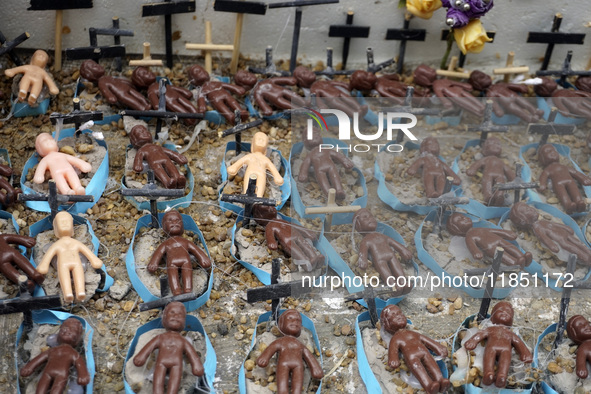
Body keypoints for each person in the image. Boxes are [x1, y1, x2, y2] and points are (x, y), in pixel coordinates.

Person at [133, 302, 204, 394]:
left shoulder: (183, 341)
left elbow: (192, 354)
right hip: (161, 363)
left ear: (184, 321)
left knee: (174, 385)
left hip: (176, 365)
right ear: (164, 318)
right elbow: (149, 347)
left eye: (180, 314)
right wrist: (141, 357)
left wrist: (196, 365)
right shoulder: (161, 337)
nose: (176, 316)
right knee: (158, 383)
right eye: (172, 312)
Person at [36, 211, 104, 303]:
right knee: (64, 277)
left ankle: (80, 292)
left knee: (79, 275)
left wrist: (94, 259)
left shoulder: (75, 242)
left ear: (72, 227)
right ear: (56, 228)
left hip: (77, 263)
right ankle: (67, 294)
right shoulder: (57, 245)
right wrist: (43, 265)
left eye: (67, 221)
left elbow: (86, 251)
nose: (65, 224)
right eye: (61, 222)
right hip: (63, 264)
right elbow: (49, 254)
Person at [381, 305, 449, 394]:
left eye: (400, 313)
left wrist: (438, 348)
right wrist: (393, 359)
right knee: (419, 371)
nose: (399, 316)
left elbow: (426, 340)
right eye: (394, 315)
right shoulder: (396, 338)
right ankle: (429, 386)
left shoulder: (412, 333)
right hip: (412, 357)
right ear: (387, 323)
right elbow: (393, 349)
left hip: (424, 352)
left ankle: (441, 381)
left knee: (433, 365)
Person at [463, 302, 533, 388]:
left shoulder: (510, 334)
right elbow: (481, 334)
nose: (504, 312)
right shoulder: (490, 329)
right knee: (488, 359)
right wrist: (473, 341)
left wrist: (525, 353)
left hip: (506, 350)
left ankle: (502, 376)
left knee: (505, 363)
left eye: (508, 312)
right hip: (491, 348)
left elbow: (518, 342)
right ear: (492, 316)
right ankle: (488, 374)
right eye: (500, 310)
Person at [256, 309, 323, 394]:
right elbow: (271, 348)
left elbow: (308, 355)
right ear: (281, 324)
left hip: (298, 366)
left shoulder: (299, 344)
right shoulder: (280, 342)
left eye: (298, 321)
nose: (295, 322)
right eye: (290, 318)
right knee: (282, 386)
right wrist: (264, 357)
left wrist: (316, 368)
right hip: (284, 364)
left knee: (297, 388)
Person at [148, 210, 211, 296]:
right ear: (164, 226)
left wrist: (203, 258)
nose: (174, 222)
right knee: (172, 274)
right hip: (172, 263)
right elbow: (159, 253)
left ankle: (188, 289)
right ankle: (176, 291)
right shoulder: (166, 244)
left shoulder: (185, 241)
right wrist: (154, 262)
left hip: (185, 261)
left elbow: (195, 250)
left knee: (188, 273)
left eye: (177, 220)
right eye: (170, 220)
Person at [20, 317, 90, 394]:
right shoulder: (52, 350)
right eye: (64, 327)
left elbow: (80, 364)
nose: (66, 330)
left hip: (61, 375)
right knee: (40, 388)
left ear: (77, 340)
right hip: (47, 373)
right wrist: (29, 367)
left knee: (57, 390)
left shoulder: (73, 353)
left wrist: (83, 375)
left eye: (72, 329)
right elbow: (39, 359)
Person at [509, 202, 591, 265]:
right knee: (573, 248)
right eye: (527, 210)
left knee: (580, 245)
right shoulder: (537, 228)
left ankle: (588, 254)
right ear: (523, 220)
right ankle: (587, 259)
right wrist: (552, 246)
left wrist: (566, 228)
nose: (531, 209)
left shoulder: (541, 221)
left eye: (528, 207)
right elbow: (544, 238)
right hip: (561, 241)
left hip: (565, 234)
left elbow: (553, 224)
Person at [353, 208, 413, 292]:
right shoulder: (366, 240)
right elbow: (363, 252)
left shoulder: (382, 235)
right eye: (365, 217)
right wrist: (362, 260)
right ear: (358, 225)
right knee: (386, 273)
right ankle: (393, 286)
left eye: (371, 216)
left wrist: (403, 250)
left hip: (391, 255)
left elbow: (393, 242)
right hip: (379, 259)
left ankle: (403, 282)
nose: (370, 218)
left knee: (397, 268)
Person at [252, 205, 324, 271]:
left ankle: (315, 258)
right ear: (261, 216)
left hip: (297, 235)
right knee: (297, 252)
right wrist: (272, 242)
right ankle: (306, 265)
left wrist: (307, 232)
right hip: (287, 241)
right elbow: (270, 236)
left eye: (272, 207)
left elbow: (295, 226)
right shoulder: (270, 226)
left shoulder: (282, 220)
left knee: (307, 246)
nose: (273, 208)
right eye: (269, 209)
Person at [446, 212, 532, 267]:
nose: (465, 218)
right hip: (491, 248)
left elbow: (493, 231)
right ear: (456, 229)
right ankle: (515, 263)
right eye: (460, 220)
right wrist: (476, 252)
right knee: (504, 255)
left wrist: (506, 233)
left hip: (499, 240)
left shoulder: (479, 228)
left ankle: (523, 257)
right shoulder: (469, 237)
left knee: (512, 247)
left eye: (463, 216)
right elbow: (472, 246)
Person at [298, 128, 354, 201]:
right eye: (311, 136)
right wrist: (303, 173)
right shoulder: (310, 155)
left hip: (330, 166)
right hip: (320, 170)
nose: (315, 136)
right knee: (322, 181)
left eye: (316, 134)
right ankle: (328, 193)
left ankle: (339, 190)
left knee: (335, 177)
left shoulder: (326, 150)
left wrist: (345, 161)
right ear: (305, 141)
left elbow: (336, 155)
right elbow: (305, 164)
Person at [131, 66, 200, 126]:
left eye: (148, 71)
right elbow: (156, 105)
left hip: (177, 95)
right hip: (170, 102)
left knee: (190, 106)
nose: (149, 73)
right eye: (145, 74)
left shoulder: (160, 83)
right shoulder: (151, 91)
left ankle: (197, 116)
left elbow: (171, 87)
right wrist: (153, 106)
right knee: (183, 112)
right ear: (141, 81)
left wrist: (185, 92)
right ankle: (191, 122)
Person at [468, 70, 543, 123]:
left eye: (485, 75)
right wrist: (498, 110)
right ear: (477, 85)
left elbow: (510, 85)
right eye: (482, 78)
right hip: (508, 104)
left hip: (515, 95)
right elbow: (493, 102)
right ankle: (529, 118)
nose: (486, 77)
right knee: (518, 111)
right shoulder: (489, 93)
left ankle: (535, 111)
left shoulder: (499, 84)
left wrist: (520, 87)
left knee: (526, 103)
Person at [130, 125, 188, 189]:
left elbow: (169, 152)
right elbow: (138, 158)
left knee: (171, 167)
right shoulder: (142, 150)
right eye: (140, 132)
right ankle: (167, 182)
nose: (145, 133)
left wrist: (178, 156)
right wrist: (138, 165)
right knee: (160, 171)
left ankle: (178, 179)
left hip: (166, 159)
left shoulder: (157, 146)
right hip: (155, 163)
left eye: (146, 131)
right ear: (135, 140)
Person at [537, 144, 591, 214]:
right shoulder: (547, 170)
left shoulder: (564, 166)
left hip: (570, 181)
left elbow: (575, 172)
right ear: (542, 159)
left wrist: (583, 178)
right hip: (558, 184)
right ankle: (568, 205)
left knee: (575, 191)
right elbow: (543, 177)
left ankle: (579, 202)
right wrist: (542, 185)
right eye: (548, 152)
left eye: (553, 150)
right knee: (563, 195)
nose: (552, 152)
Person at [227, 132, 284, 197]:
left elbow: (272, 167)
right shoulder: (250, 156)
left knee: (260, 186)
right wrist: (234, 167)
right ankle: (246, 196)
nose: (261, 140)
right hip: (250, 172)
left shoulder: (265, 159)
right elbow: (241, 161)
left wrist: (277, 176)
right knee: (247, 186)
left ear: (266, 149)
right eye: (259, 139)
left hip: (261, 174)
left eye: (263, 140)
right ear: (253, 144)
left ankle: (258, 199)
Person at [413, 64, 485, 116]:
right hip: (458, 91)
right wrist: (464, 86)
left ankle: (479, 111)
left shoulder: (437, 85)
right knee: (470, 101)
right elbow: (453, 84)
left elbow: (442, 96)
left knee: (468, 103)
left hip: (455, 93)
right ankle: (481, 108)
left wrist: (448, 106)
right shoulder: (441, 81)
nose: (432, 70)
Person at [79, 59, 150, 111]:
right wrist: (111, 97)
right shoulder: (102, 82)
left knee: (139, 96)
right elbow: (105, 91)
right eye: (94, 66)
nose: (98, 66)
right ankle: (142, 108)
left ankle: (146, 104)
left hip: (126, 87)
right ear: (90, 74)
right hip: (121, 93)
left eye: (96, 64)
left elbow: (118, 80)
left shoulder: (108, 77)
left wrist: (127, 82)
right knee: (131, 100)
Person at [466, 137, 515, 206]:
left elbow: (507, 170)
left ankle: (499, 196)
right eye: (492, 143)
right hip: (488, 175)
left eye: (498, 144)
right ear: (484, 148)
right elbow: (478, 164)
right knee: (487, 184)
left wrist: (513, 178)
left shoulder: (500, 161)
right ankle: (488, 196)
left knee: (500, 186)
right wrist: (472, 169)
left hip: (500, 176)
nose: (496, 145)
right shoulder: (486, 159)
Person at [567, 315, 591, 379]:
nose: (587, 326)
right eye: (581, 325)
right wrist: (581, 368)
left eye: (587, 324)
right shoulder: (584, 347)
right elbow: (581, 360)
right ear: (573, 333)